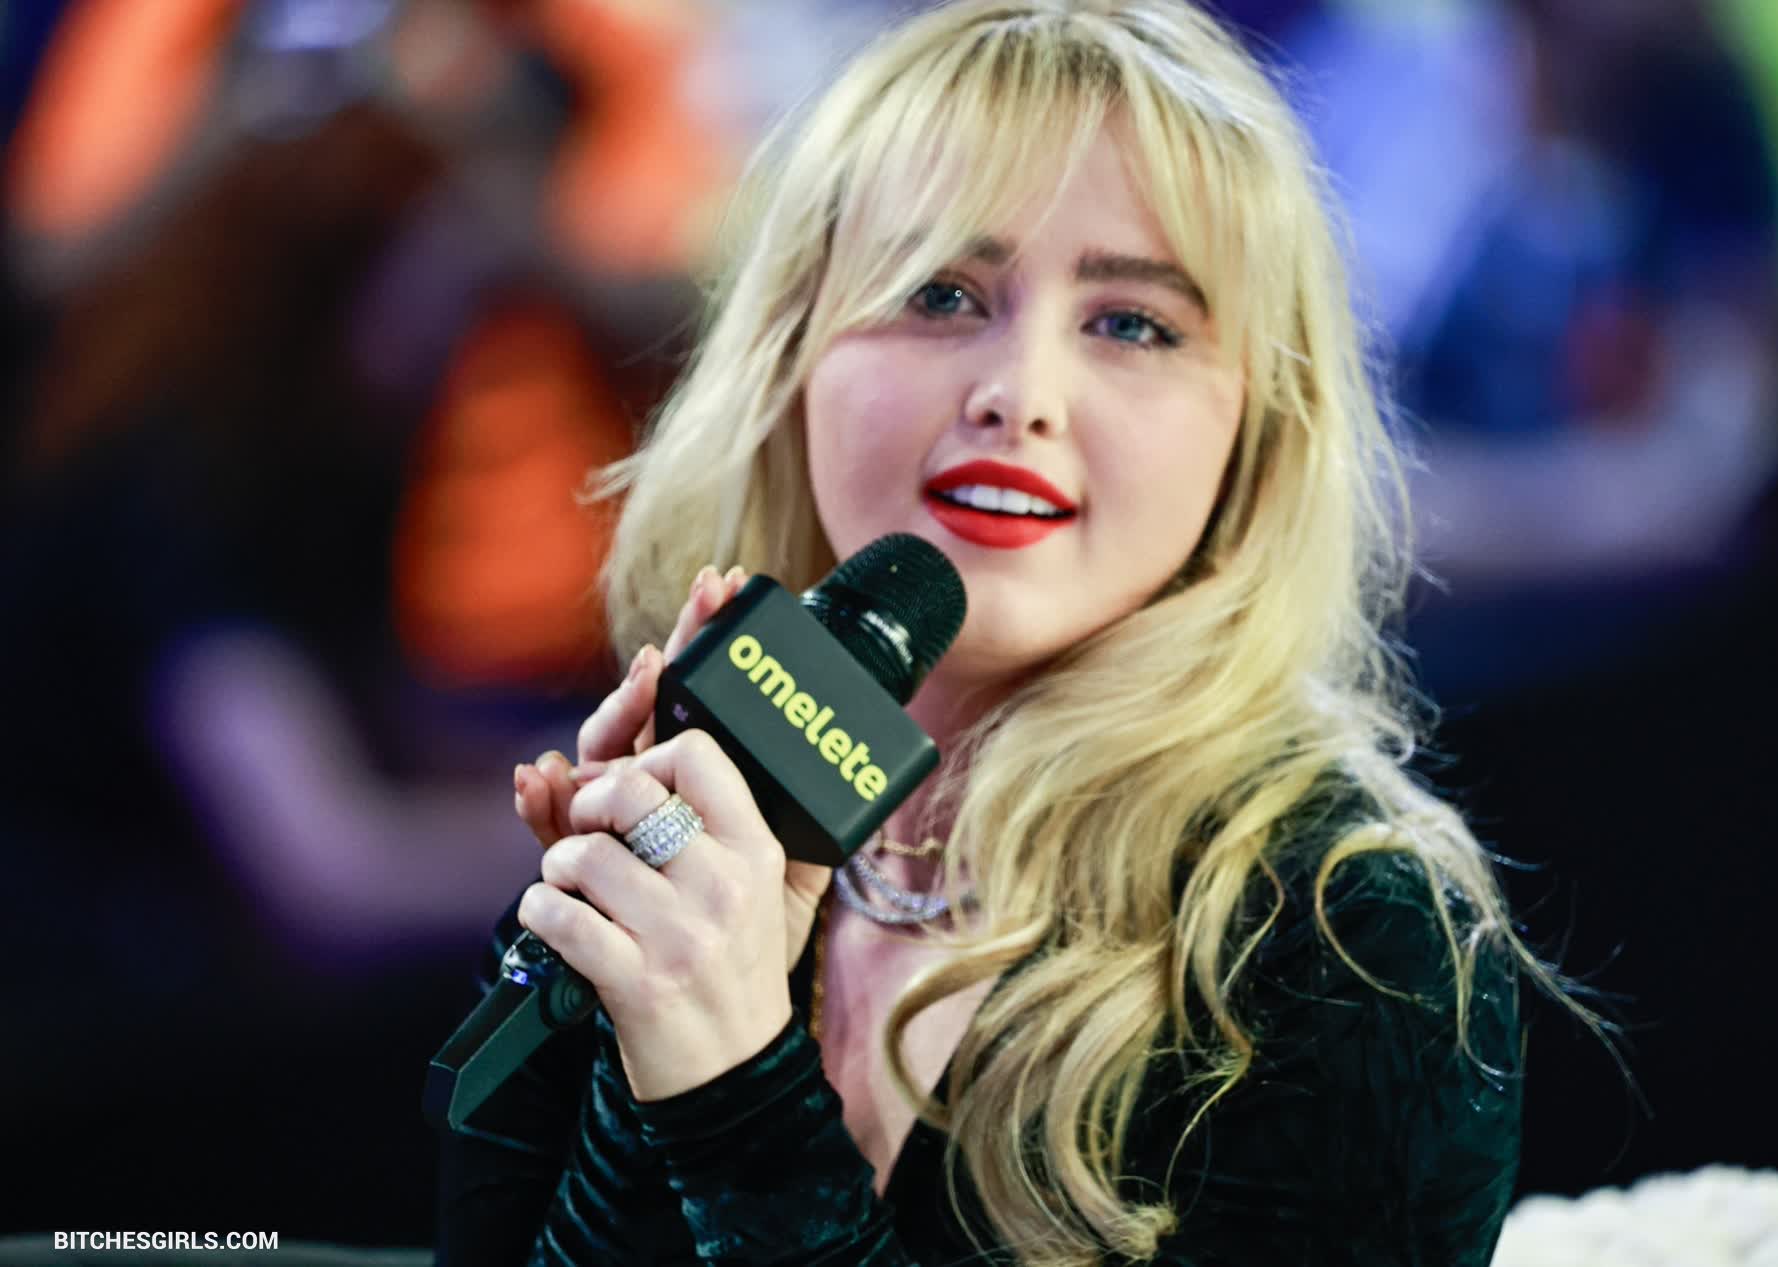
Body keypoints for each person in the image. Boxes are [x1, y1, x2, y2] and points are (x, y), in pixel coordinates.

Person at [433, 2, 1584, 1262]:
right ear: (790, 355)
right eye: (940, 293)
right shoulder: (703, 812)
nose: (1020, 393)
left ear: (1256, 427)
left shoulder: (1354, 938)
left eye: (1130, 322)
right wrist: (635, 1019)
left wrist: (733, 1097)